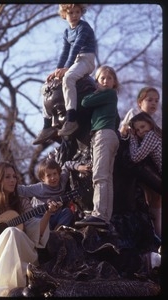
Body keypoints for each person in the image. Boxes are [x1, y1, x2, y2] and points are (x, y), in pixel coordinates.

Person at [0, 161, 60, 297]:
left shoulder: (22, 202)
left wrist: (48, 213)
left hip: (22, 252)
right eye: (7, 177)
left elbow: (35, 229)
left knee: (11, 231)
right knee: (10, 232)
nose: (13, 180)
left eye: (14, 177)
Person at [33, 4, 96, 145]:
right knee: (48, 85)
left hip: (85, 59)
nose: (74, 15)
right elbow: (65, 52)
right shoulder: (67, 32)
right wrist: (57, 71)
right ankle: (47, 125)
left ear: (81, 13)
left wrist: (66, 68)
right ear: (64, 15)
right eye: (71, 13)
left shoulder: (83, 27)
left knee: (69, 78)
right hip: (73, 61)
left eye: (77, 12)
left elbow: (77, 47)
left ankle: (71, 119)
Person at [75, 65, 120, 229]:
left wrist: (95, 90)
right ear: (98, 80)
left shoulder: (107, 94)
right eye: (103, 78)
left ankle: (98, 214)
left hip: (103, 135)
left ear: (114, 82)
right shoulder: (111, 98)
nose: (106, 81)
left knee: (99, 176)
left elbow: (85, 102)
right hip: (111, 136)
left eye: (109, 78)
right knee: (107, 178)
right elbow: (117, 121)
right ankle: (105, 216)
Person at [17, 157, 92, 230]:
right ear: (43, 178)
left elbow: (67, 165)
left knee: (68, 212)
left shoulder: (62, 180)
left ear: (59, 173)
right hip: (41, 217)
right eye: (48, 175)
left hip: (56, 216)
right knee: (39, 222)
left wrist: (79, 167)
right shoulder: (40, 188)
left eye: (55, 173)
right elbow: (23, 190)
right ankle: (47, 234)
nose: (53, 178)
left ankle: (58, 231)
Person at [128, 112, 162, 237]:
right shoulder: (158, 134)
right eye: (136, 130)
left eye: (142, 126)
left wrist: (132, 137)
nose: (140, 131)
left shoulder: (151, 135)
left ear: (150, 123)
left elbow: (136, 157)